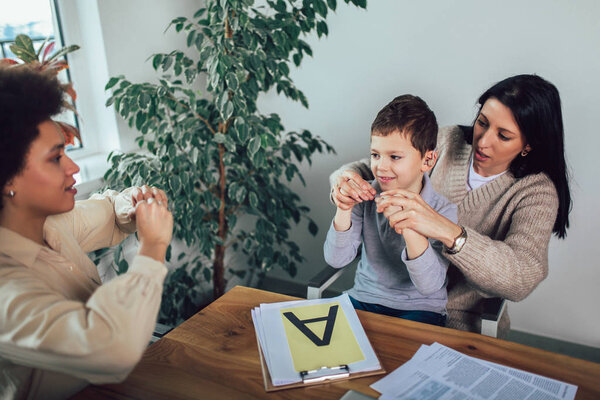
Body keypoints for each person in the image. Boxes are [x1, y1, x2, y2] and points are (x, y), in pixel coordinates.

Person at [330, 74, 571, 337]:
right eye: (482, 122)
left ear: (528, 145)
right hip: (387, 301)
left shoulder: (536, 191)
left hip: (462, 322)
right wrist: (344, 183)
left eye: (503, 136)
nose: (483, 141)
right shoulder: (447, 140)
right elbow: (377, 168)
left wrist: (448, 231)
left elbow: (522, 277)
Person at [0, 65, 173, 399]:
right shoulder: (6, 287)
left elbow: (109, 210)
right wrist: (152, 248)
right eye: (55, 158)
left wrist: (133, 204)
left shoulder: (50, 225)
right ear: (8, 180)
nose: (73, 167)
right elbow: (110, 349)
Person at [324, 95, 457, 327]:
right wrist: (343, 209)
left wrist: (410, 226)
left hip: (420, 310)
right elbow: (336, 259)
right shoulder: (363, 197)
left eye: (395, 157)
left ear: (428, 160)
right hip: (363, 299)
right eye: (376, 155)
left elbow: (430, 286)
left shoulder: (442, 211)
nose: (381, 167)